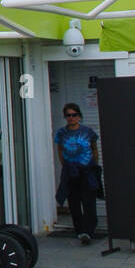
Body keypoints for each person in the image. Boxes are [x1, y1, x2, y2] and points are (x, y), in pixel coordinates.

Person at [54, 103, 101, 245]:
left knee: (89, 202)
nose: (71, 118)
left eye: (74, 115)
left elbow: (94, 149)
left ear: (79, 116)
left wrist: (93, 164)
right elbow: (60, 150)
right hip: (70, 171)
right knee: (74, 203)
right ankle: (80, 231)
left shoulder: (88, 132)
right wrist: (66, 166)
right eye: (68, 115)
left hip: (86, 171)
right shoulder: (61, 133)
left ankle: (89, 231)